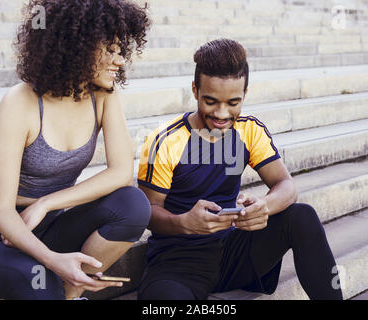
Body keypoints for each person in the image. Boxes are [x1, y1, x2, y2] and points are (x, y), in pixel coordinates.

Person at [0, 0, 151, 300]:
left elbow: (120, 172)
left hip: (46, 223)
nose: (120, 62)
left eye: (121, 51)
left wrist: (45, 204)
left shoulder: (104, 94)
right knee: (36, 278)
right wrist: (55, 261)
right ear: (77, 45)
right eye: (111, 50)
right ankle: (60, 283)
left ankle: (72, 291)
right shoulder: (21, 102)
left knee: (133, 204)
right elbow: (0, 213)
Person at [136, 39, 344, 300]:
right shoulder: (164, 140)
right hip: (178, 261)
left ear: (245, 94)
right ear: (195, 90)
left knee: (301, 216)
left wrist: (264, 206)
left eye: (233, 103)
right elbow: (148, 212)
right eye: (210, 101)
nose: (222, 114)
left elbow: (287, 186)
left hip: (233, 252)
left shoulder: (249, 130)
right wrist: (184, 223)